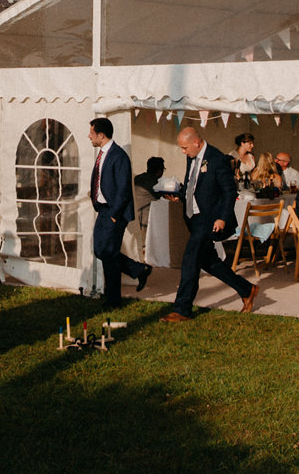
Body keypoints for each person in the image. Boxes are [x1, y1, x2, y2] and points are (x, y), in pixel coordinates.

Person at [164, 125, 256, 321]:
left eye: (184, 148)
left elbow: (229, 191)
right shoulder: (192, 156)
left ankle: (182, 309)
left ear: (196, 143)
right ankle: (247, 289)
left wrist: (222, 218)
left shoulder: (217, 159)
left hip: (209, 219)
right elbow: (193, 184)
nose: (183, 152)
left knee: (190, 260)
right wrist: (179, 196)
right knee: (210, 262)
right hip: (194, 218)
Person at [86, 117, 150, 308]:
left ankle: (113, 299)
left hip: (115, 213)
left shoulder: (119, 156)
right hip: (103, 210)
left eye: (91, 133)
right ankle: (139, 270)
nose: (89, 136)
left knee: (109, 254)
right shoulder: (102, 154)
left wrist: (114, 215)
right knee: (101, 251)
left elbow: (123, 190)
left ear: (101, 135)